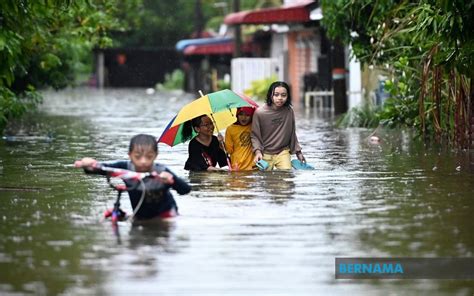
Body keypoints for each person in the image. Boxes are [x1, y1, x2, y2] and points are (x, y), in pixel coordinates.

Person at [75, 134, 191, 220]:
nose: (143, 162)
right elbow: (101, 168)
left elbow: (185, 190)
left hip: (165, 216)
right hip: (140, 216)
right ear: (130, 155)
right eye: (138, 157)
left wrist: (172, 180)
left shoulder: (161, 171)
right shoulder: (125, 168)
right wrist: (89, 165)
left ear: (156, 155)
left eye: (149, 156)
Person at [251, 81, 306, 170]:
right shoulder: (259, 112)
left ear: (287, 96)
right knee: (266, 181)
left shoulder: (289, 111)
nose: (280, 98)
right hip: (265, 153)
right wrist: (258, 152)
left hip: (283, 152)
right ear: (270, 95)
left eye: (283, 95)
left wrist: (298, 153)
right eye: (276, 95)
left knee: (286, 177)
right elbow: (255, 135)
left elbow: (292, 133)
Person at [224, 106, 256, 170]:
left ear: (252, 116)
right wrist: (221, 143)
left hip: (253, 166)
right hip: (237, 167)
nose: (243, 118)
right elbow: (229, 150)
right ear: (237, 114)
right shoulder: (230, 129)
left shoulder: (255, 126)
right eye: (241, 114)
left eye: (247, 115)